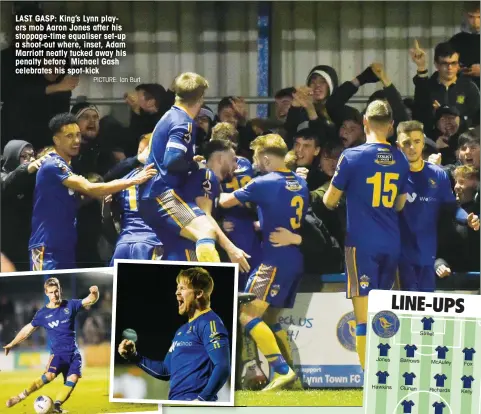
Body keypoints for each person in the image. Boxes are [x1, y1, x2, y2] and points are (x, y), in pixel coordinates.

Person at [322, 100, 410, 370]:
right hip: (391, 241)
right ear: (391, 126)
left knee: (362, 318)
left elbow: (328, 201)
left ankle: (367, 376)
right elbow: (400, 204)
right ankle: (387, 372)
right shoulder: (400, 158)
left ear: (364, 122)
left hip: (361, 242)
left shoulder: (352, 156)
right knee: (384, 312)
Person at [219, 133, 309, 391]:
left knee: (246, 315)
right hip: (293, 258)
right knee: (269, 317)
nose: (255, 164)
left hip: (273, 260)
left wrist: (210, 181)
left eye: (258, 158)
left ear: (267, 158)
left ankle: (283, 371)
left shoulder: (264, 182)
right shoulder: (299, 183)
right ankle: (294, 379)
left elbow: (225, 201)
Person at [29, 113, 157, 271]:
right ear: (56, 140)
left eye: (77, 135)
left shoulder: (67, 167)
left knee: (68, 295)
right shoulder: (52, 163)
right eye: (69, 136)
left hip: (66, 245)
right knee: (48, 294)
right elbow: (90, 188)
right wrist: (133, 180)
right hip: (46, 246)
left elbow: (77, 200)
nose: (76, 141)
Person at [139, 72, 227, 265]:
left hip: (151, 195)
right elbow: (172, 160)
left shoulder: (169, 116)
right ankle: (216, 282)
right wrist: (194, 164)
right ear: (201, 98)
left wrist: (187, 159)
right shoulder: (184, 122)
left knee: (181, 247)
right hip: (161, 194)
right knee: (207, 231)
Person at [118, 267, 231, 402]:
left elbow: (223, 366)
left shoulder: (210, 323)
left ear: (199, 293)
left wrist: (201, 400)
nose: (177, 292)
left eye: (182, 288)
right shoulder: (181, 330)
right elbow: (165, 371)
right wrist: (134, 357)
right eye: (177, 288)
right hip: (176, 401)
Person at [396, 121, 479, 293]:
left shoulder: (437, 174)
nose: (412, 147)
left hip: (428, 256)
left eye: (417, 142)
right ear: (398, 146)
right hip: (397, 257)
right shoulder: (390, 175)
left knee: (424, 313)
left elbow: (452, 207)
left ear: (423, 142)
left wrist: (467, 219)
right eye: (406, 143)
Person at [4, 277, 100, 413]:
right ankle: (19, 397)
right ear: (46, 293)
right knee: (48, 376)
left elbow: (90, 299)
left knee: (73, 378)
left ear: (60, 290)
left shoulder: (70, 305)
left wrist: (95, 292)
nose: (54, 295)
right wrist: (12, 343)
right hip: (57, 354)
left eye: (56, 291)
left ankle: (56, 406)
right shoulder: (42, 314)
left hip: (73, 353)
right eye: (51, 292)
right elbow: (27, 330)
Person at [110, 135, 163, 264]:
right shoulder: (166, 177)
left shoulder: (125, 179)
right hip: (151, 243)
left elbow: (111, 214)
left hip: (123, 243)